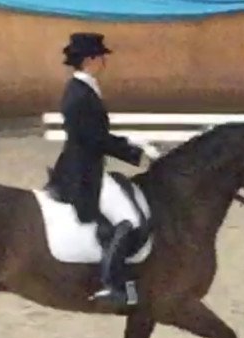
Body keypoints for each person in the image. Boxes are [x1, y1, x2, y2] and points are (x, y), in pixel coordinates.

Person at [48, 32, 160, 307]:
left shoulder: (85, 88)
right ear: (89, 60)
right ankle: (113, 285)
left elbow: (96, 133)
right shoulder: (79, 94)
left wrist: (131, 142)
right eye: (100, 57)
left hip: (88, 164)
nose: (104, 63)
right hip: (82, 172)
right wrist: (134, 152)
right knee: (130, 220)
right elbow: (93, 139)